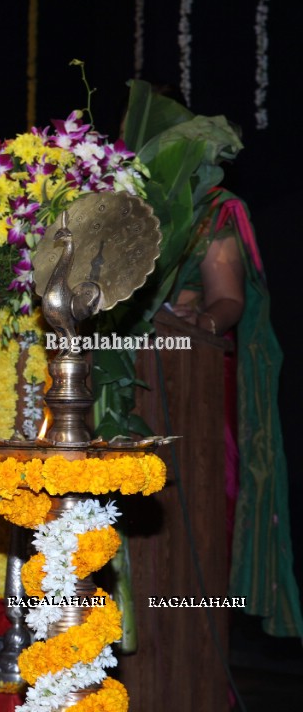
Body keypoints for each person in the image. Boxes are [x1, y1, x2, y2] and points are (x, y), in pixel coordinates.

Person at [170, 187, 303, 638]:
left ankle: (204, 655)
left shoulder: (209, 212)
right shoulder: (115, 197)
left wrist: (199, 323)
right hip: (133, 375)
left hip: (193, 377)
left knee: (207, 520)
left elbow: (227, 301)